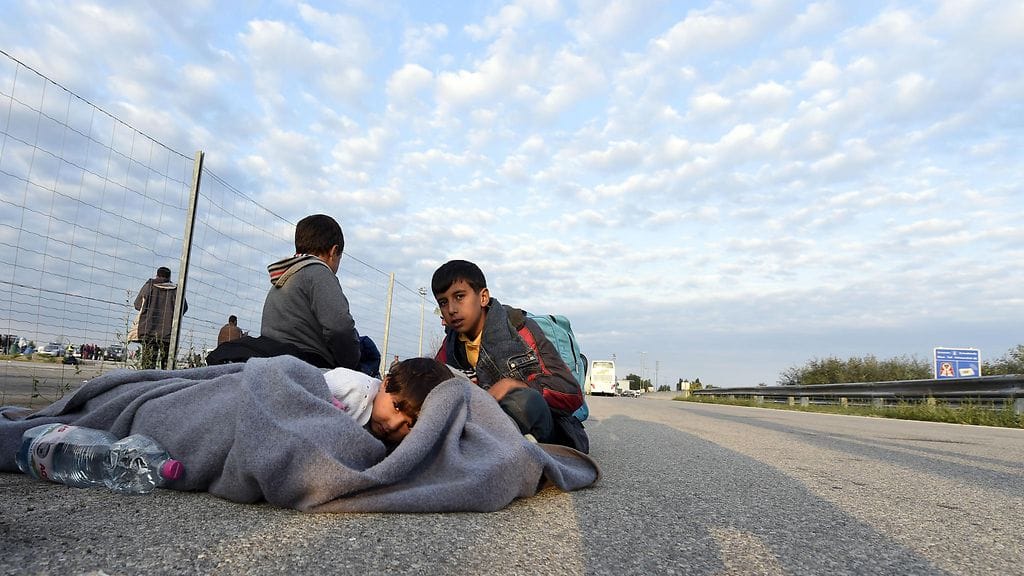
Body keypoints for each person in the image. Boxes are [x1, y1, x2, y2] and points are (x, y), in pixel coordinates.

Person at [431, 259, 587, 451]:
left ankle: (523, 461)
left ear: (483, 297)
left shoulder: (520, 330)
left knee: (522, 402)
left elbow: (571, 393)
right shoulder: (451, 345)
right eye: (443, 302)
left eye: (460, 296)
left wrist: (513, 385)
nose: (452, 309)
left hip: (536, 426)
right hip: (482, 427)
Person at [260, 214, 362, 369]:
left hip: (273, 360)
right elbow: (340, 327)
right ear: (333, 252)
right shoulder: (318, 272)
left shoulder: (283, 278)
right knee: (368, 350)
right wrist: (351, 364)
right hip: (306, 364)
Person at [325, 357, 452, 445]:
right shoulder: (351, 388)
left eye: (409, 425)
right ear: (386, 383)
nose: (393, 426)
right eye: (396, 406)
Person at [134, 266, 187, 370]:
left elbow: (137, 305)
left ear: (157, 275)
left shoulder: (149, 286)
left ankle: (148, 384)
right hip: (168, 333)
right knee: (167, 366)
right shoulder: (176, 290)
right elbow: (184, 308)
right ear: (169, 277)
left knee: (148, 365)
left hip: (148, 331)